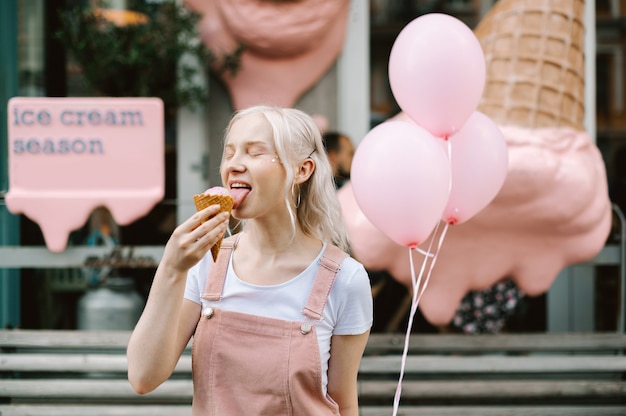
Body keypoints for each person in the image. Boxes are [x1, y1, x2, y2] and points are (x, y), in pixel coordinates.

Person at [127, 105, 373, 415]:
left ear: (302, 170)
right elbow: (142, 377)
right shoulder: (207, 264)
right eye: (229, 153)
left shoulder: (344, 279)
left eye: (254, 153)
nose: (234, 165)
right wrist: (171, 269)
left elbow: (343, 402)